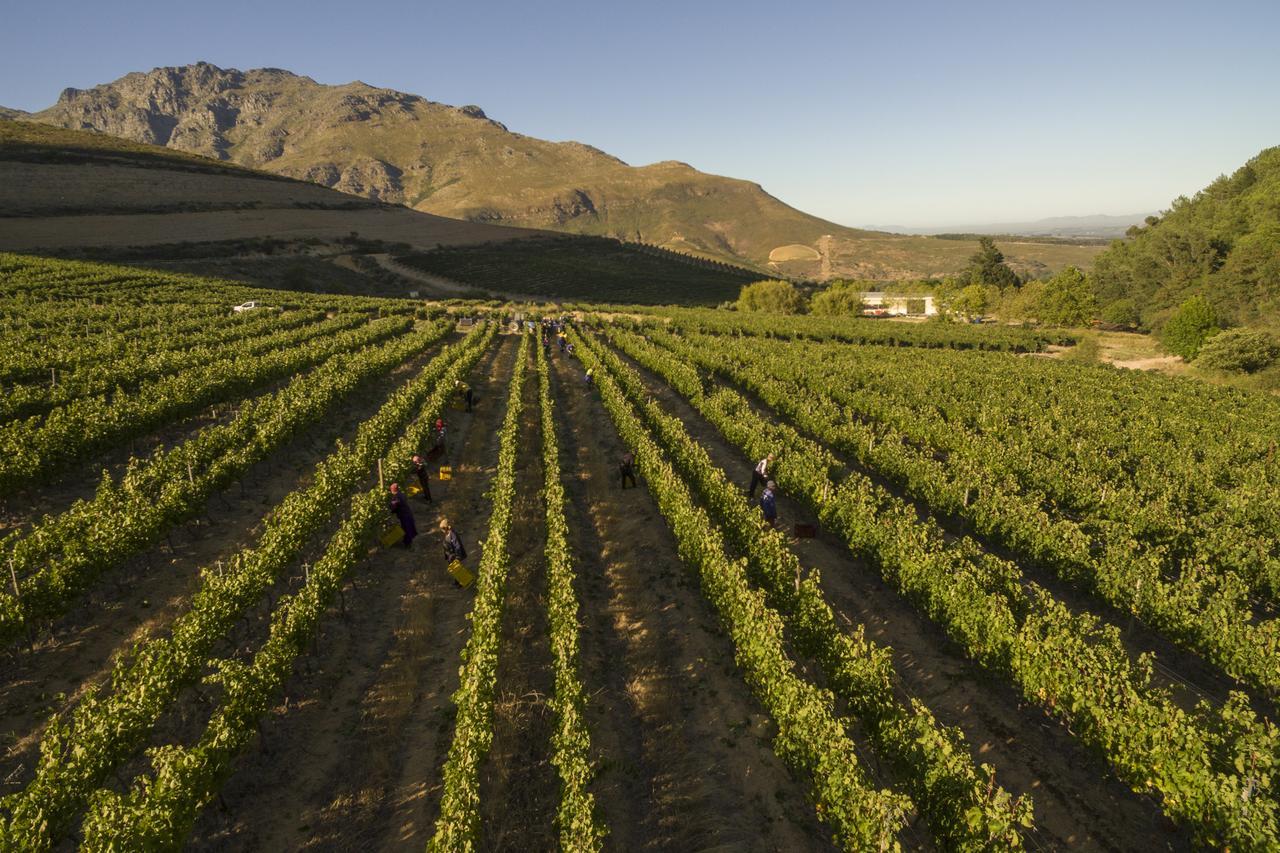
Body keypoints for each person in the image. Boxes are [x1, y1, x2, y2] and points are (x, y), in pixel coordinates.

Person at [388, 483, 417, 548]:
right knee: (408, 527)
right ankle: (407, 541)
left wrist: (390, 510)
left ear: (392, 490)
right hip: (407, 513)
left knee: (406, 529)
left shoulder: (396, 498)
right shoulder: (401, 494)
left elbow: (393, 506)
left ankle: (408, 544)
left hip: (404, 515)